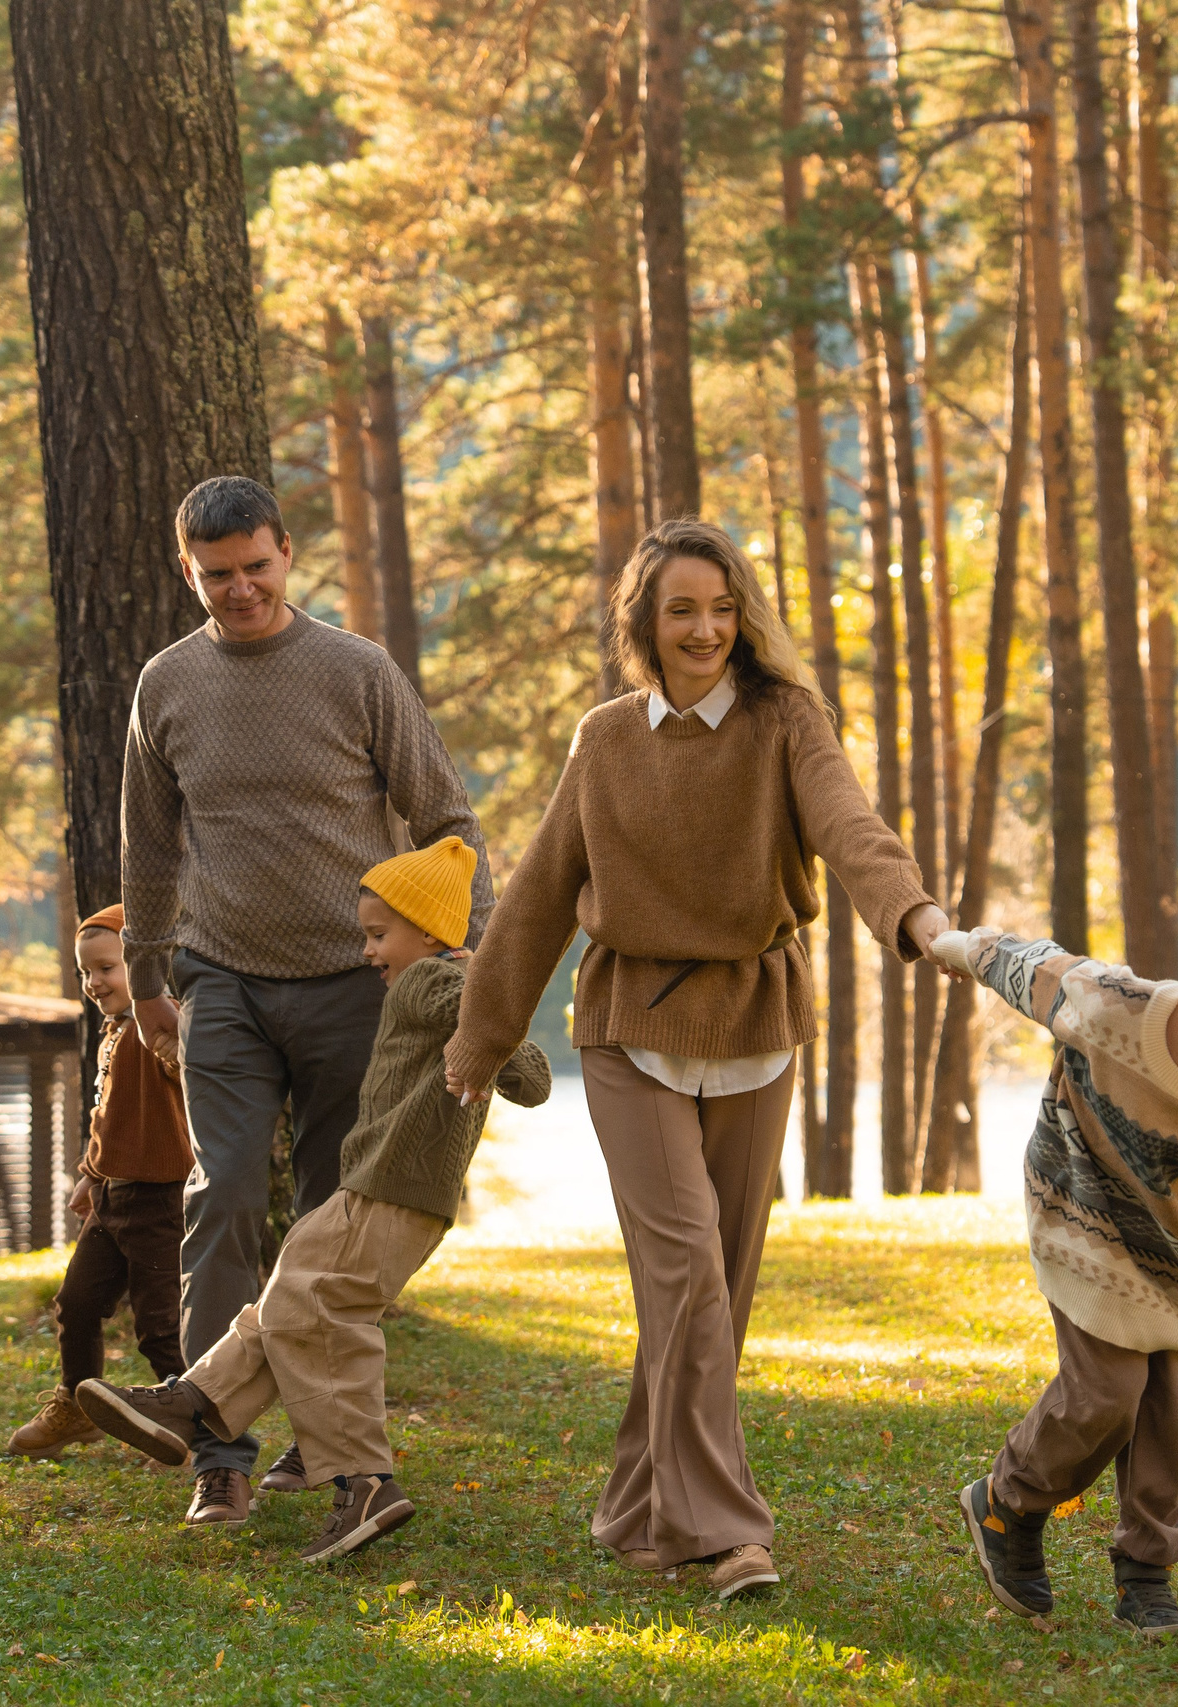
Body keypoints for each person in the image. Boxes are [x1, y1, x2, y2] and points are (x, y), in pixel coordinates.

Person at [444, 519, 948, 1601]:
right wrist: (482, 1035)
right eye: (682, 609)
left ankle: (635, 1504)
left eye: (722, 607)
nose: (706, 628)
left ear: (744, 612)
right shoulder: (606, 739)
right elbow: (537, 893)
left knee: (720, 1291)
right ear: (645, 621)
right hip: (629, 1025)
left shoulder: (784, 721)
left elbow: (849, 826)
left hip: (757, 1024)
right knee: (686, 1284)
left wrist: (911, 917)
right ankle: (728, 1534)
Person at [119, 476, 497, 1524]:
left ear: (287, 554)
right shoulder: (166, 685)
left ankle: (320, 1453)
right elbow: (147, 846)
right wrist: (149, 977)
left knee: (335, 1228)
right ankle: (220, 1460)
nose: (238, 590)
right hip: (222, 974)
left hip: (355, 981)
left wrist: (472, 962)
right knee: (226, 1193)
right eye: (215, 575)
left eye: (255, 567)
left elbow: (445, 818)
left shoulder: (354, 671)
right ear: (185, 570)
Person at [77, 839, 550, 1557]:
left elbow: (530, 1071)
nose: (367, 951)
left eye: (378, 934)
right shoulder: (433, 983)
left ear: (428, 932)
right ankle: (197, 1404)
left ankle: (361, 1478)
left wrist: (485, 1025)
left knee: (323, 1312)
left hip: (392, 1191)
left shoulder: (435, 982)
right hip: (374, 1187)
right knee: (287, 1297)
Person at [924, 883, 1178, 1638]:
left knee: (1173, 1411)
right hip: (1081, 1215)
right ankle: (1006, 1503)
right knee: (1107, 1391)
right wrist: (954, 945)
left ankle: (1146, 1572)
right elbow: (1027, 964)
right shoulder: (1109, 1005)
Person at [4, 906, 194, 1458]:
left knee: (159, 1327)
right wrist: (91, 1175)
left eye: (107, 968)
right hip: (113, 1197)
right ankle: (75, 1406)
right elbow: (107, 1117)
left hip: (161, 1199)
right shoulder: (114, 1033)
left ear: (145, 967)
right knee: (77, 1304)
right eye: (86, 972)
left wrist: (179, 1046)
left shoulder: (160, 1026)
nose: (94, 983)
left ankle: (198, 1425)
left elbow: (191, 1070)